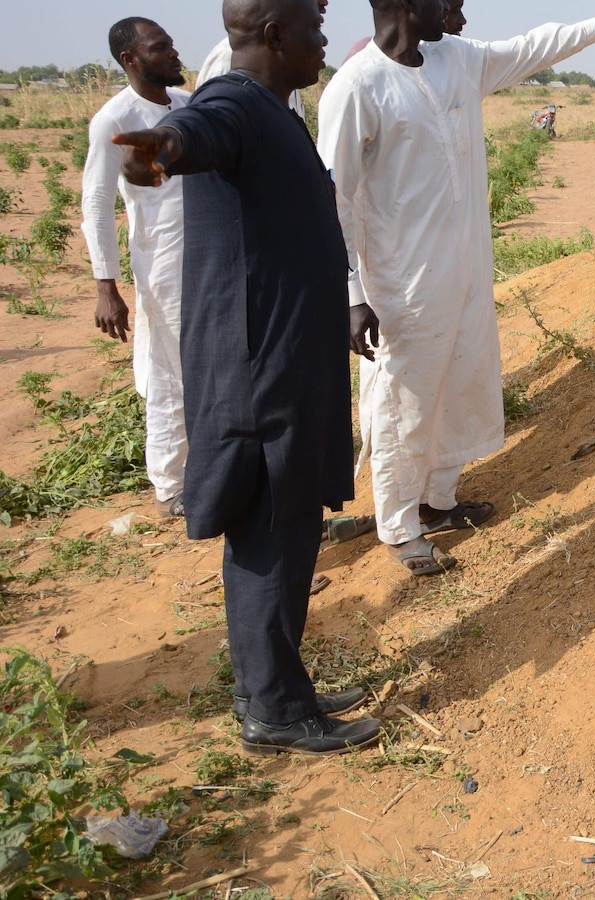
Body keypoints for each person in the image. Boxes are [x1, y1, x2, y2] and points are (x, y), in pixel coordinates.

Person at [114, 0, 377, 755]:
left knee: (289, 528)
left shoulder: (273, 108)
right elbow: (194, 134)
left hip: (284, 359)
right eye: (315, 28)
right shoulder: (231, 101)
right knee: (269, 531)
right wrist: (160, 145)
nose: (324, 41)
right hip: (260, 368)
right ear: (274, 34)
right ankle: (274, 711)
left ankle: (275, 683)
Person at [319, 0, 595, 577]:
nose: (456, 12)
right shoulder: (356, 87)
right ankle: (400, 526)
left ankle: (439, 501)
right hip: (402, 283)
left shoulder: (456, 60)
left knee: (458, 382)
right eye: (443, 1)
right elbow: (334, 203)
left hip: (466, 267)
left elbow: (531, 48)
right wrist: (351, 294)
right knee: (406, 399)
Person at [81, 17, 190, 519]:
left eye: (170, 45)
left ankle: (204, 469)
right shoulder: (115, 117)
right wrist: (107, 285)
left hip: (209, 257)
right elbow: (98, 201)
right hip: (162, 261)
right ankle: (171, 484)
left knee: (204, 367)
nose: (173, 54)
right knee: (169, 371)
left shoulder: (189, 108)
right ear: (130, 60)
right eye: (160, 47)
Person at [193, 0, 324, 120]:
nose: (324, 2)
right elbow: (208, 120)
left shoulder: (287, 66)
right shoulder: (229, 56)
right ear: (275, 36)